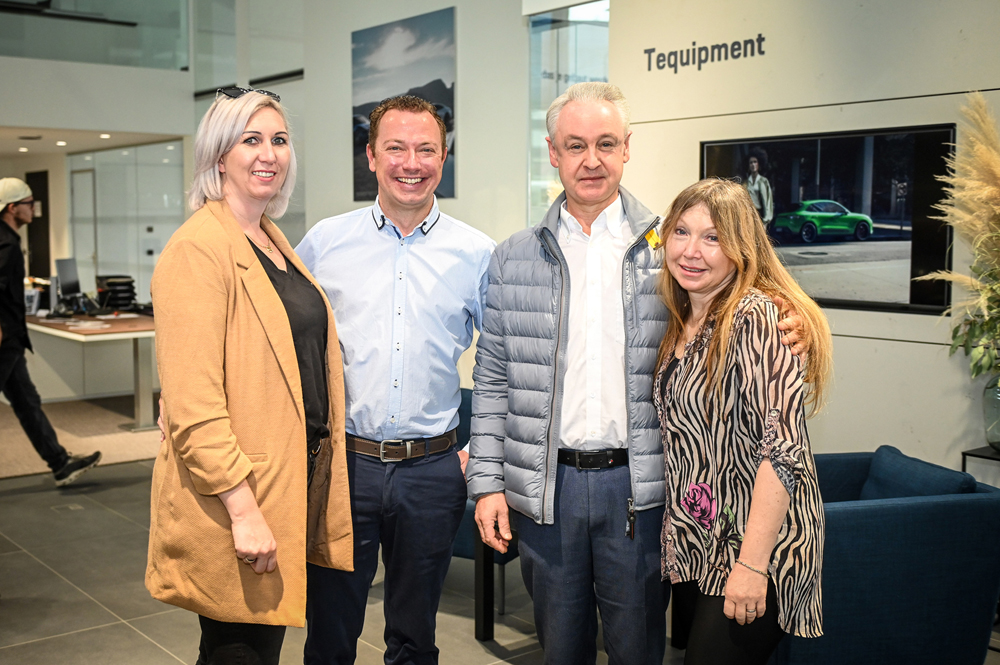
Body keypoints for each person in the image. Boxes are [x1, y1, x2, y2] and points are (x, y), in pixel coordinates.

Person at [467, 82, 807, 665]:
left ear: (627, 147)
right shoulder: (513, 256)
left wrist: (791, 317)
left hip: (643, 492)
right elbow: (494, 378)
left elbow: (740, 291)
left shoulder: (670, 249)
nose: (591, 160)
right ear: (553, 152)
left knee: (638, 651)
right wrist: (487, 483)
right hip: (546, 491)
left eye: (605, 143)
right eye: (575, 145)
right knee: (560, 651)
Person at [146, 88, 353, 665]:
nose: (269, 154)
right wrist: (243, 511)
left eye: (279, 140)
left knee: (254, 648)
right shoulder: (198, 250)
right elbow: (194, 406)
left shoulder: (269, 239)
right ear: (219, 157)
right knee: (238, 651)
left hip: (287, 481)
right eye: (251, 140)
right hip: (239, 493)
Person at [296, 95, 495, 665]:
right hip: (344, 467)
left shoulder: (477, 253)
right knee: (330, 633)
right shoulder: (325, 244)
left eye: (426, 149)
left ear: (444, 157)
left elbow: (504, 360)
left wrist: (478, 451)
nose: (412, 163)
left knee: (414, 638)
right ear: (371, 157)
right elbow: (281, 339)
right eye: (396, 148)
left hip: (432, 472)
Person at [654, 179, 829, 664]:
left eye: (712, 237)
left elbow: (783, 450)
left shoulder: (756, 317)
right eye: (682, 231)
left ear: (741, 248)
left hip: (755, 547)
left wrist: (752, 565)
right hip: (703, 538)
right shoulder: (682, 317)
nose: (691, 250)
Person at [0, 177, 101, 487]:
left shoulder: (8, 239)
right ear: (12, 208)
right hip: (5, 340)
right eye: (29, 204)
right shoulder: (6, 244)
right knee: (26, 402)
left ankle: (60, 464)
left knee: (26, 402)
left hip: (12, 339)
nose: (34, 209)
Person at [745, 154, 773, 228]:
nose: (753, 164)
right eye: (751, 162)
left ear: (759, 164)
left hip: (760, 214)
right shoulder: (746, 183)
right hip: (748, 215)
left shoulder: (764, 181)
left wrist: (766, 219)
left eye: (755, 162)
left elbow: (768, 200)